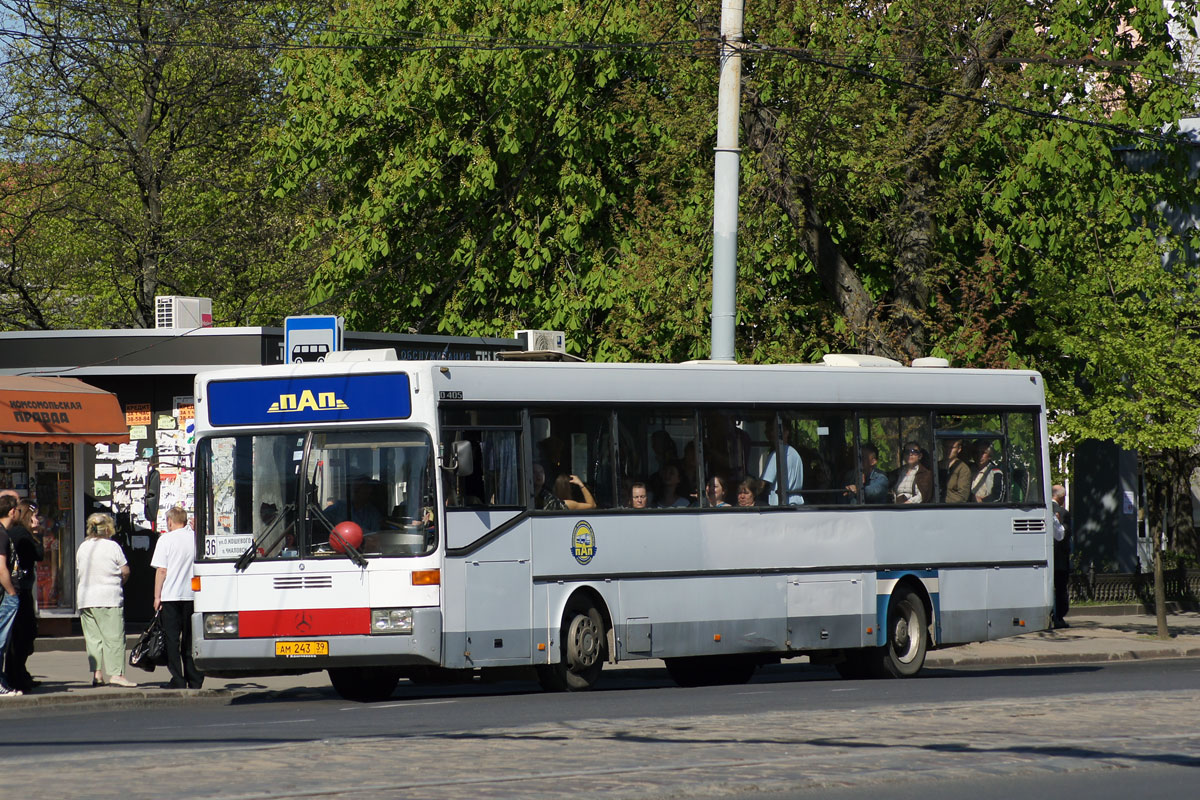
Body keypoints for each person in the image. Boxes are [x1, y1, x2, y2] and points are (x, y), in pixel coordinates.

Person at [77, 513, 135, 687]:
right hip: (108, 597)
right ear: (108, 528)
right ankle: (116, 674)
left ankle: (97, 674)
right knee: (114, 637)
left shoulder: (83, 547)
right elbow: (125, 571)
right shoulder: (112, 546)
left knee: (93, 639)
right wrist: (120, 581)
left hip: (86, 599)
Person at [152, 506, 203, 689]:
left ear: (170, 521)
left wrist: (157, 596)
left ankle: (178, 678)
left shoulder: (165, 540)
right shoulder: (196, 538)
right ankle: (195, 679)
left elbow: (161, 570)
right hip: (192, 596)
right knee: (190, 639)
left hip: (171, 596)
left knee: (172, 639)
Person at [2, 494, 44, 692]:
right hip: (18, 590)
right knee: (22, 634)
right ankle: (15, 674)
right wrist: (39, 535)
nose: (38, 520)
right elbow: (38, 555)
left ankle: (19, 673)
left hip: (21, 588)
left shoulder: (15, 533)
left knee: (22, 634)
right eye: (35, 517)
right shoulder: (20, 534)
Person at [0, 495, 25, 696]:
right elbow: (1, 569)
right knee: (0, 640)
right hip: (4, 596)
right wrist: (11, 592)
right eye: (17, 509)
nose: (19, 512)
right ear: (11, 512)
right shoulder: (1, 535)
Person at [761, 419, 804, 505]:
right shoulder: (794, 453)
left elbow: (762, 485)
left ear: (786, 432)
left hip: (780, 505)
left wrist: (748, 487)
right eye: (767, 431)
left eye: (772, 430)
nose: (769, 434)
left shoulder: (777, 454)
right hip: (796, 503)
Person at [1052, 485, 1072, 629]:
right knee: (1060, 589)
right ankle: (1058, 617)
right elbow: (1065, 536)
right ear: (1061, 498)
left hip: (1047, 559)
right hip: (1059, 559)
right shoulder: (1063, 513)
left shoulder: (1044, 510)